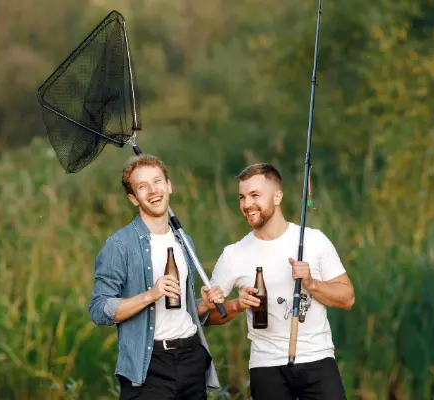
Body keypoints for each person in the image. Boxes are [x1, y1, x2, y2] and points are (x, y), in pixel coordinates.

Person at [206, 163, 355, 400]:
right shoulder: (234, 254)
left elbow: (347, 298)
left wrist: (312, 283)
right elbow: (209, 315)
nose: (246, 204)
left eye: (255, 195)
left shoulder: (314, 241)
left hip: (317, 359)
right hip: (266, 366)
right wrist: (237, 305)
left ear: (277, 197)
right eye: (242, 197)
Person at [88, 154, 224, 400]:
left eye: (157, 181)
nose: (153, 191)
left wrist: (204, 305)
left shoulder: (185, 242)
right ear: (133, 198)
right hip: (149, 366)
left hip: (191, 357)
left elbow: (181, 312)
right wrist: (151, 295)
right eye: (142, 186)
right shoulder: (119, 245)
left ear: (169, 185)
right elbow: (98, 309)